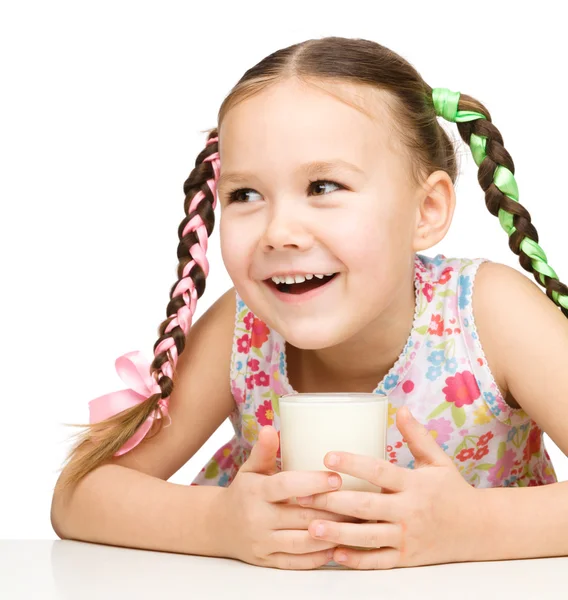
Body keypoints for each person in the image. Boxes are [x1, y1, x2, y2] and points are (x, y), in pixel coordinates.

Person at [51, 36, 568, 571]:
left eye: (323, 185)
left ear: (426, 210)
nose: (279, 232)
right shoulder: (243, 328)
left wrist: (475, 527)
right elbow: (79, 497)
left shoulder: (487, 314)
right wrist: (217, 522)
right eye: (245, 195)